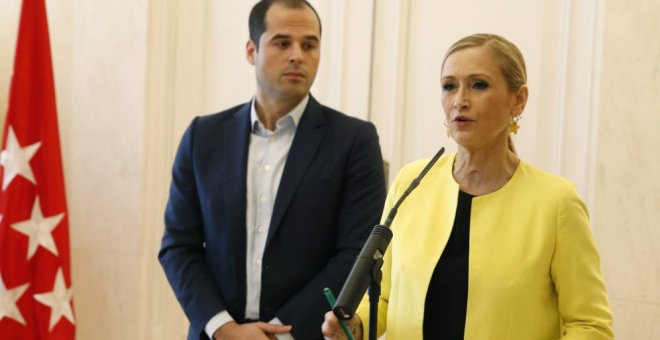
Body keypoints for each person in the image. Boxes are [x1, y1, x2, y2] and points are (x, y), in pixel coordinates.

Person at [322, 33, 613, 339]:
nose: (460, 100)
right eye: (449, 86)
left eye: (478, 84)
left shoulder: (556, 203)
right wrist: (357, 325)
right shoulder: (411, 183)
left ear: (518, 99)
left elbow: (589, 325)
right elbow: (384, 298)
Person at [158, 1, 387, 339]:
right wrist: (224, 328)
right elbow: (179, 246)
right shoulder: (203, 137)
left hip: (306, 334)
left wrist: (280, 333)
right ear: (252, 51)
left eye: (309, 45)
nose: (297, 55)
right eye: (282, 43)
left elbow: (356, 252)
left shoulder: (354, 141)